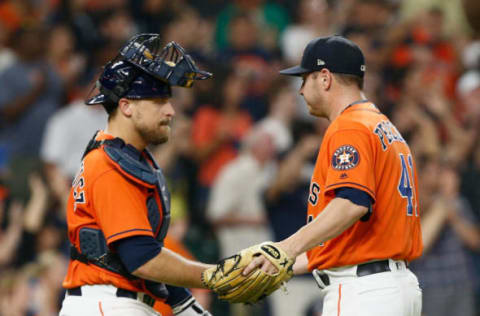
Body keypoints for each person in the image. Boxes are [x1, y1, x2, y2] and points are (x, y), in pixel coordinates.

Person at [243, 35, 423, 316]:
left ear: (325, 78)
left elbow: (352, 202)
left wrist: (285, 248)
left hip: (363, 293)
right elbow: (348, 236)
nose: (300, 90)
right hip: (389, 286)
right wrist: (281, 264)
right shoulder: (381, 125)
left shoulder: (349, 126)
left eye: (305, 79)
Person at [59, 34, 214, 316]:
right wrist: (214, 275)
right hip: (109, 303)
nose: (171, 111)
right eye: (158, 101)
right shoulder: (109, 165)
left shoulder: (127, 158)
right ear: (127, 106)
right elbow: (142, 257)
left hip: (116, 301)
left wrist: (184, 303)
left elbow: (139, 251)